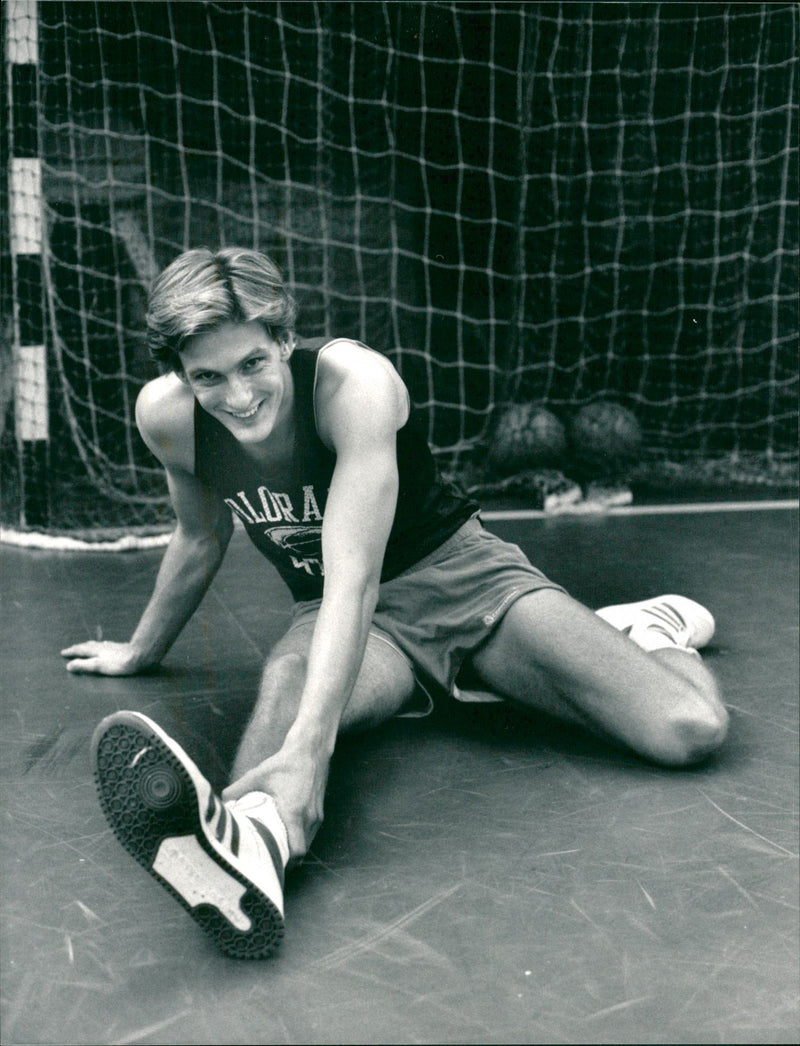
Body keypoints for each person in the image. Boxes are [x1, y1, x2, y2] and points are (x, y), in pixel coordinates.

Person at [62, 247, 729, 959]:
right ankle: (253, 835)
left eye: (253, 364)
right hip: (346, 618)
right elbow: (198, 536)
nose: (238, 396)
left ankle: (648, 631)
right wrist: (141, 649)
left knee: (689, 730)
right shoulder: (168, 420)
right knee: (287, 679)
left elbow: (356, 574)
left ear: (285, 340)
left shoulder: (355, 385)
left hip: (461, 583)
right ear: (179, 375)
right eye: (208, 377)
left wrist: (309, 759)